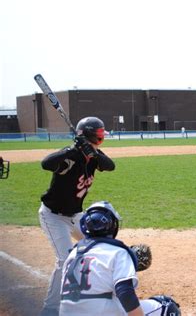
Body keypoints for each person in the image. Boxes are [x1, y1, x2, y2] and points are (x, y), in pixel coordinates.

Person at [39, 117, 116, 316]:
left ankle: (105, 288)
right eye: (98, 136)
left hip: (76, 216)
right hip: (54, 217)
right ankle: (50, 310)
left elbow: (110, 166)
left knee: (102, 245)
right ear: (88, 135)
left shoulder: (94, 155)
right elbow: (45, 163)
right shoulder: (71, 155)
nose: (101, 139)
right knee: (65, 260)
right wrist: (73, 148)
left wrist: (94, 153)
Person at [59, 201, 181, 316]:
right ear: (112, 225)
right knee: (167, 306)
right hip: (100, 313)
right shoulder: (118, 252)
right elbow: (125, 292)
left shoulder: (72, 254)